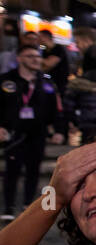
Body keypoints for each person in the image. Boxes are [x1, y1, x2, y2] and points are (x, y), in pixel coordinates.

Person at [1, 42, 67, 219]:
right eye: (31, 56)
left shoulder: (46, 83)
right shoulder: (6, 80)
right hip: (13, 133)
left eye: (38, 57)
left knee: (33, 170)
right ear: (19, 59)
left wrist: (59, 130)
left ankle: (27, 206)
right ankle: (8, 208)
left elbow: (57, 109)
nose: (36, 60)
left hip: (37, 133)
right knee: (12, 170)